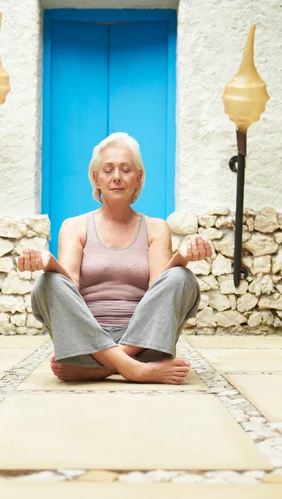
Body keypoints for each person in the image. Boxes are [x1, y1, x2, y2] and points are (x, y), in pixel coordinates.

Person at [18, 132, 212, 384]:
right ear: (96, 178)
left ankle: (103, 369)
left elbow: (159, 290)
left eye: (125, 169)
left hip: (144, 345)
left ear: (138, 178)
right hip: (85, 344)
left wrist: (181, 258)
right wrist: (49, 263)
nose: (117, 177)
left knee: (180, 276)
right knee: (49, 282)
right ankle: (136, 370)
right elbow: (70, 287)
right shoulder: (74, 226)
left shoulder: (156, 227)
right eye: (108, 170)